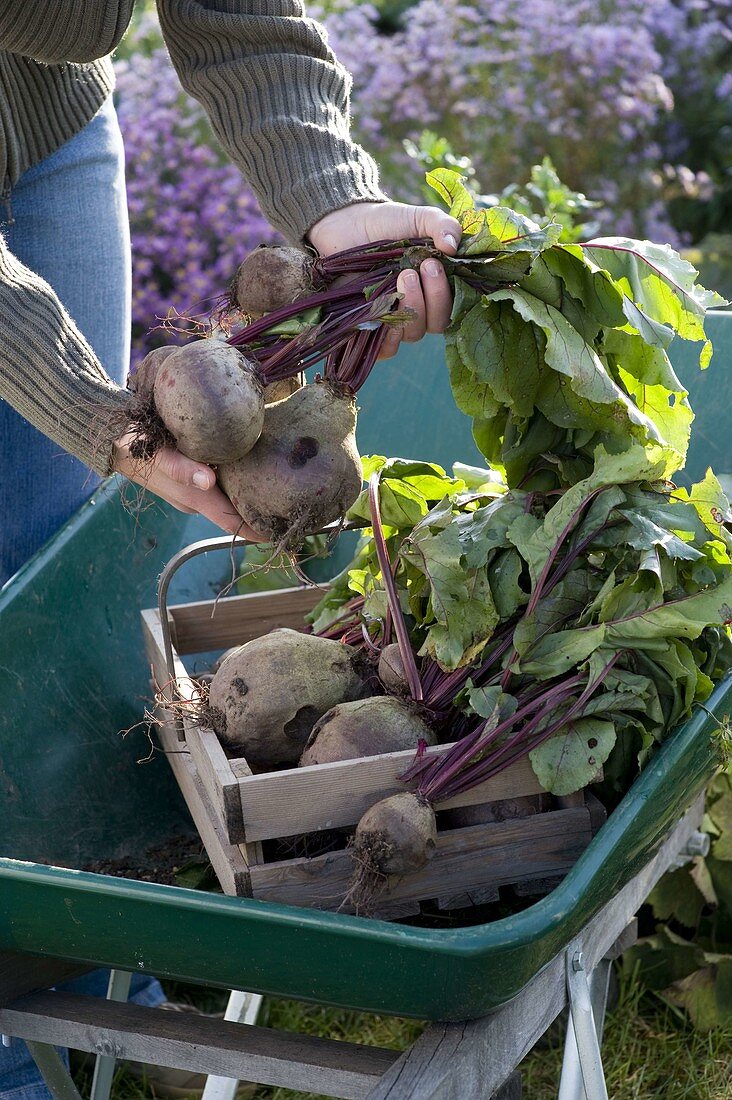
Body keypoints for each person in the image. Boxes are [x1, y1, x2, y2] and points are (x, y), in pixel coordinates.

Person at [0, 2, 462, 1096]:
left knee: (62, 583)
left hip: (47, 124)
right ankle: (18, 1052)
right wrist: (82, 403)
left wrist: (331, 198)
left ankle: (113, 981)